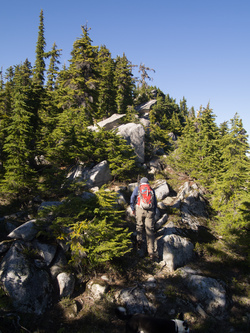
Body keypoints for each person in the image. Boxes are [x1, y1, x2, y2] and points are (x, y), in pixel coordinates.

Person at [130, 177, 157, 259]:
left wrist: (133, 208)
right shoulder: (151, 189)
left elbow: (132, 199)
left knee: (139, 226)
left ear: (141, 182)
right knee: (150, 230)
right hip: (150, 211)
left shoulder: (138, 188)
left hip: (139, 209)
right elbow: (155, 202)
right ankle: (151, 252)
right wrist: (154, 211)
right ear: (147, 182)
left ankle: (139, 244)